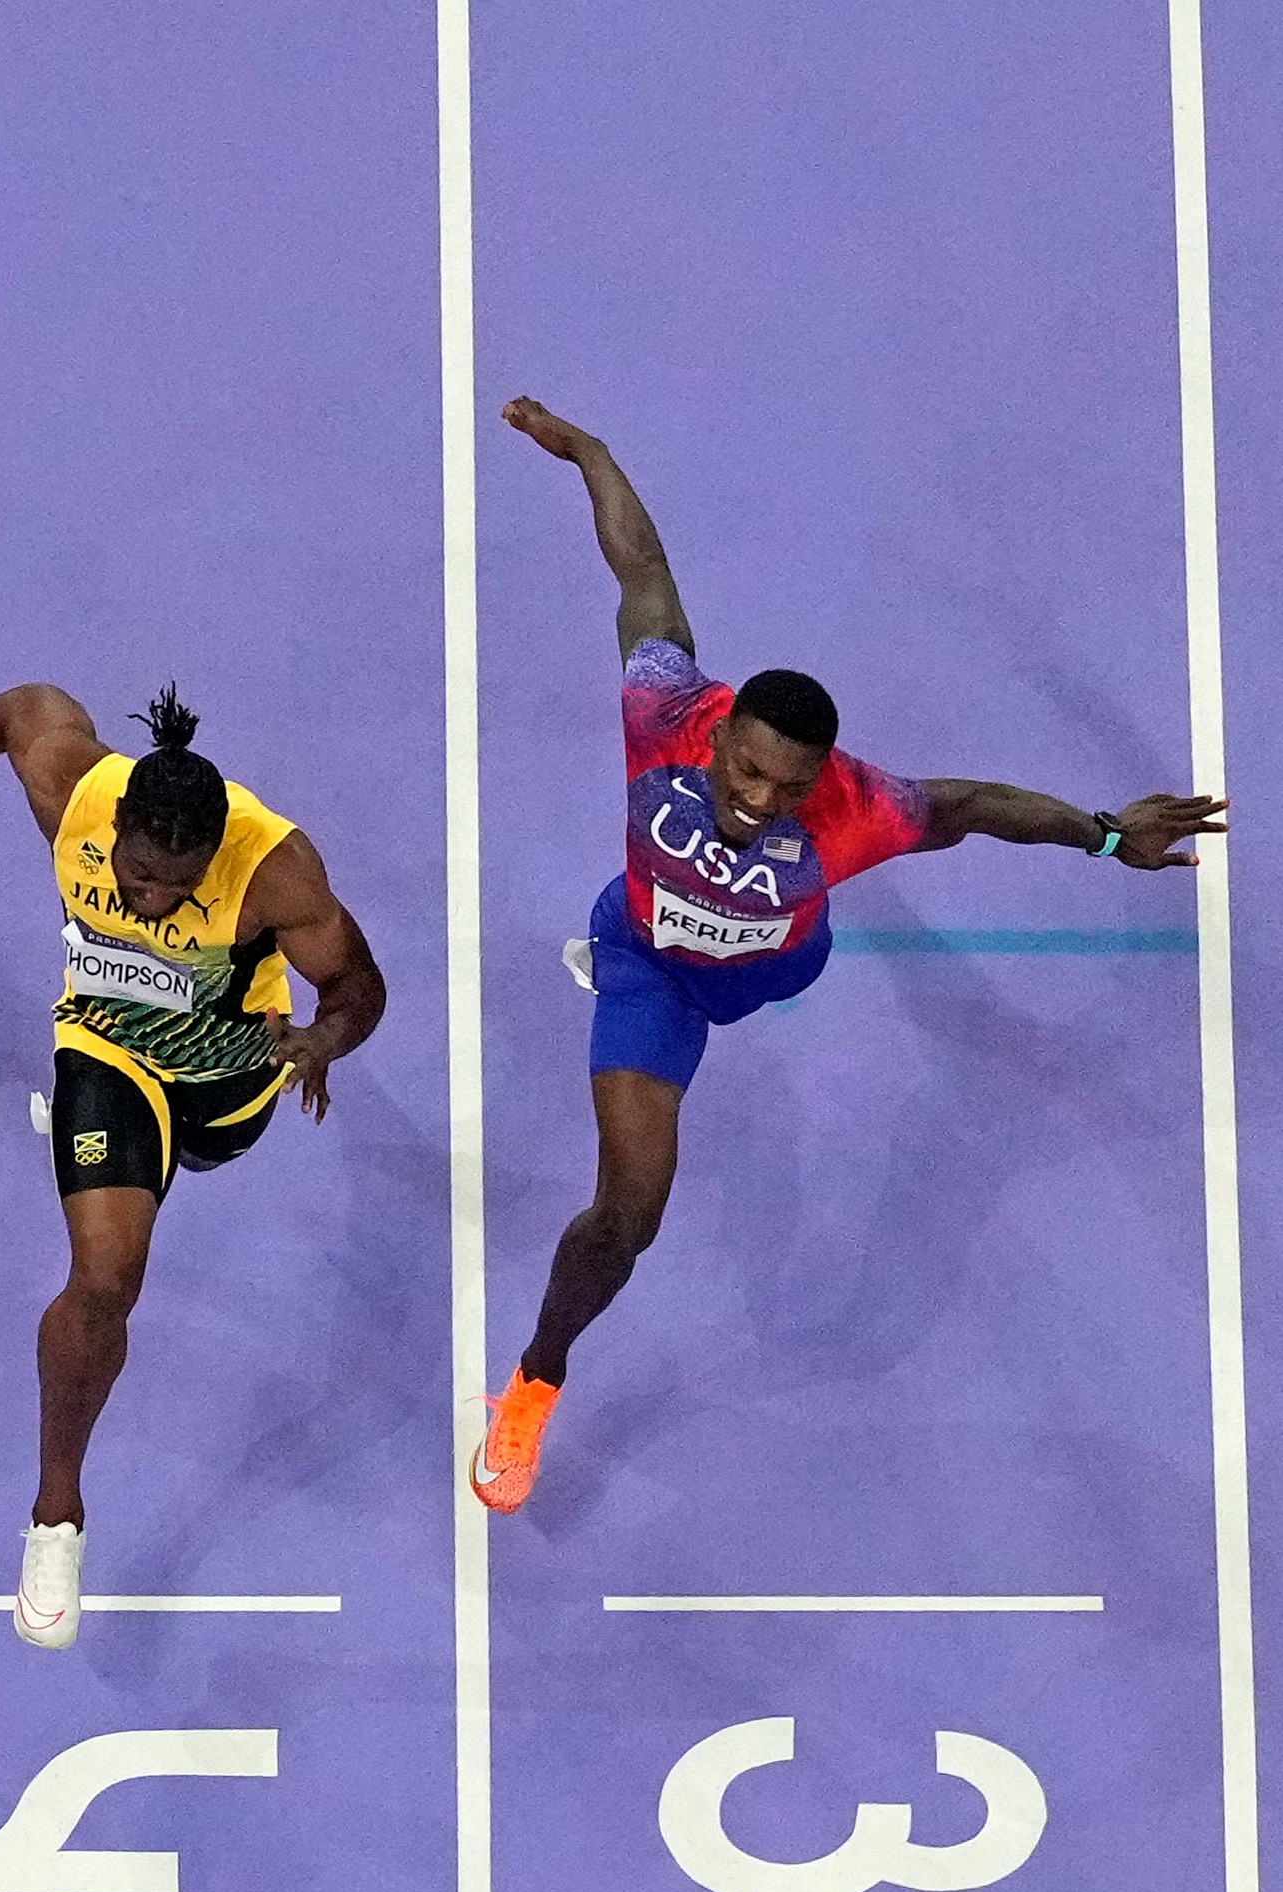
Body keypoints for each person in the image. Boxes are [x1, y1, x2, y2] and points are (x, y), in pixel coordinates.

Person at [471, 397, 1222, 1511]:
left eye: (784, 786)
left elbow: (970, 804)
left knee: (781, 969)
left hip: (771, 964)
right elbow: (641, 575)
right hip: (650, 965)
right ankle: (537, 1377)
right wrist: (589, 453)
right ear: (719, 735)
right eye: (745, 772)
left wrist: (1105, 832)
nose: (756, 800)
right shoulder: (663, 709)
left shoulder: (856, 806)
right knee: (629, 1215)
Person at [0, 682, 384, 1645]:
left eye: (179, 883)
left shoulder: (275, 870)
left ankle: (177, 1146)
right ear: (118, 823)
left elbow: (357, 980)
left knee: (198, 1163)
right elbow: (21, 709)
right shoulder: (76, 790)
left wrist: (328, 1037)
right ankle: (55, 1517)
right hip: (108, 1051)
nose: (154, 897)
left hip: (231, 1080)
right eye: (139, 871)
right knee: (105, 1277)